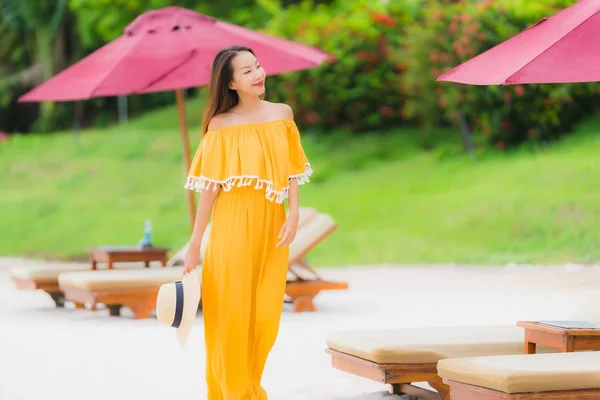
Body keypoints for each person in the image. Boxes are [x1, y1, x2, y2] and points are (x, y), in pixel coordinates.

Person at [181, 45, 312, 399]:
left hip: (273, 226)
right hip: (230, 228)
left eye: (258, 66)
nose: (258, 74)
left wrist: (294, 213)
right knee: (231, 315)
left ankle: (249, 385)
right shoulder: (220, 126)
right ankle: (237, 392)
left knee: (267, 314)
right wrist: (195, 244)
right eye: (247, 71)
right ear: (231, 83)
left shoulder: (282, 114)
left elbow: (293, 172)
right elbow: (209, 190)